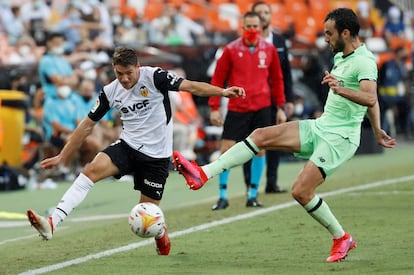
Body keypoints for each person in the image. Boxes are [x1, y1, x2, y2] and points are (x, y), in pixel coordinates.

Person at [173, 8, 397, 262]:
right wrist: (378, 130)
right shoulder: (341, 56)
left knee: (301, 191)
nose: (325, 39)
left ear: (345, 33)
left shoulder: (364, 61)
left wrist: (341, 89)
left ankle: (341, 237)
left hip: (340, 139)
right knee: (260, 136)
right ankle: (203, 173)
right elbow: (370, 102)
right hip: (321, 127)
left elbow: (370, 97)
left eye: (329, 34)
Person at [26, 46, 245, 256]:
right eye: (119, 73)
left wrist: (223, 92)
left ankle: (161, 232)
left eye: (128, 73)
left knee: (147, 216)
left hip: (156, 157)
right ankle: (53, 222)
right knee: (91, 170)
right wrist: (63, 155)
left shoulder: (155, 77)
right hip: (128, 146)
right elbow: (86, 125)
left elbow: (191, 86)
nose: (124, 79)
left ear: (138, 67)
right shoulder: (111, 91)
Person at [207, 11, 285, 210]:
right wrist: (214, 107)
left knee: (260, 151)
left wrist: (281, 107)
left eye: (255, 26)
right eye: (248, 26)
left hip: (262, 107)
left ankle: (252, 195)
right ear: (242, 28)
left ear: (261, 28)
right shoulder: (231, 50)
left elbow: (277, 80)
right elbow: (217, 80)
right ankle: (222, 196)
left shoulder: (269, 49)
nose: (251, 30)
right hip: (237, 107)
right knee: (226, 150)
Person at [242, 1, 295, 195]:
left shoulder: (279, 41)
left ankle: (272, 182)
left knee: (275, 141)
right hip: (253, 99)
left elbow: (286, 73)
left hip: (275, 99)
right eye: (259, 13)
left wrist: (287, 100)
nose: (263, 16)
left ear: (270, 16)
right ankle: (250, 184)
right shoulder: (245, 43)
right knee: (250, 142)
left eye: (266, 12)